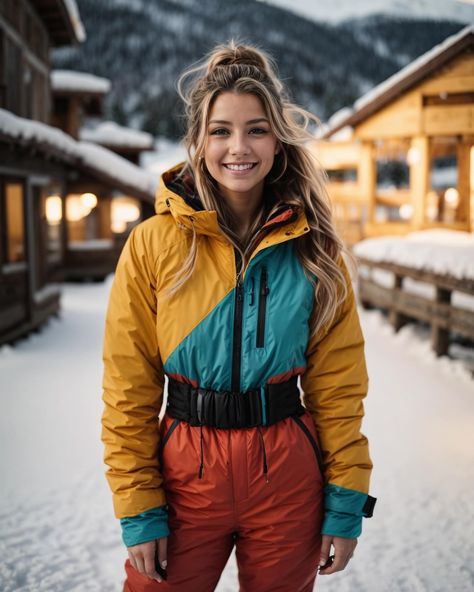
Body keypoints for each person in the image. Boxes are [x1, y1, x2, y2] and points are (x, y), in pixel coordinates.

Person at [101, 40, 376, 592]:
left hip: (287, 477)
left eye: (256, 129)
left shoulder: (315, 252)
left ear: (278, 140)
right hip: (183, 475)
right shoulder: (154, 244)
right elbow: (127, 387)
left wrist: (344, 502)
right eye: (221, 130)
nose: (238, 147)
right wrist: (138, 506)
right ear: (198, 142)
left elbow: (340, 391)